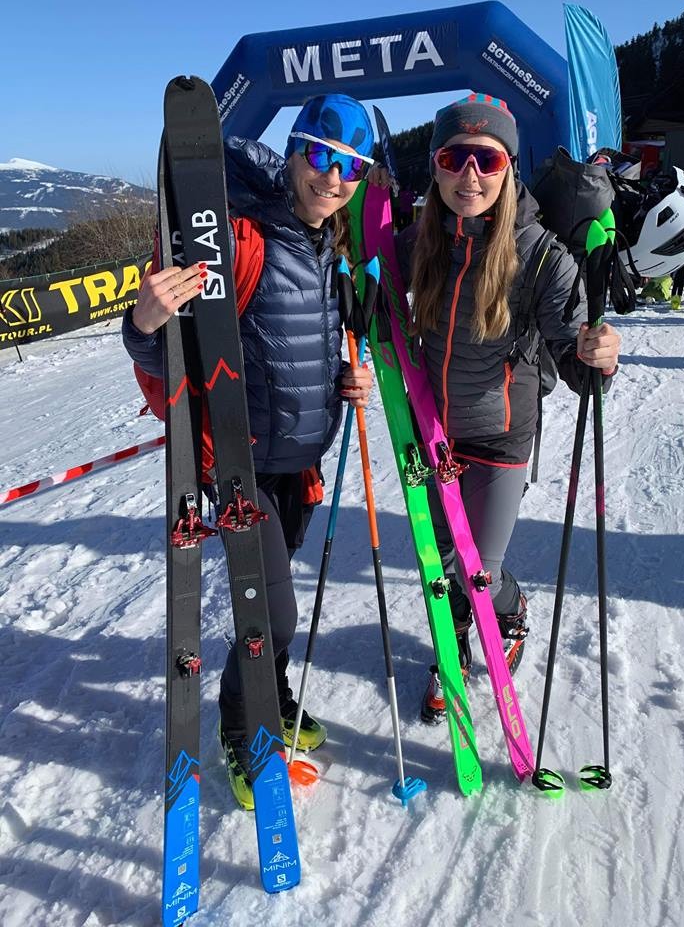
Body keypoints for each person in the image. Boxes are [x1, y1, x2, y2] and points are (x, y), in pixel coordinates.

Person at [123, 94, 375, 807]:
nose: (333, 178)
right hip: (240, 464)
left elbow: (297, 345)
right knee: (272, 614)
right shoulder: (239, 237)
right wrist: (145, 322)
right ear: (294, 152)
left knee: (270, 603)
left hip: (299, 464)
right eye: (321, 156)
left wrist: (345, 380)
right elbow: (171, 350)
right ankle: (243, 730)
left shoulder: (327, 246)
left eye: (352, 168)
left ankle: (275, 694)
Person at [394, 94, 621, 723]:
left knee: (479, 573)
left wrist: (595, 356)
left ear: (509, 167)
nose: (470, 175)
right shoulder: (420, 241)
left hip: (500, 436)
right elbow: (361, 263)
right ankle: (452, 651)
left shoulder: (541, 255)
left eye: (486, 160)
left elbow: (575, 358)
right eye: (454, 158)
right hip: (431, 433)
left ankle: (508, 613)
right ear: (435, 167)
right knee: (441, 564)